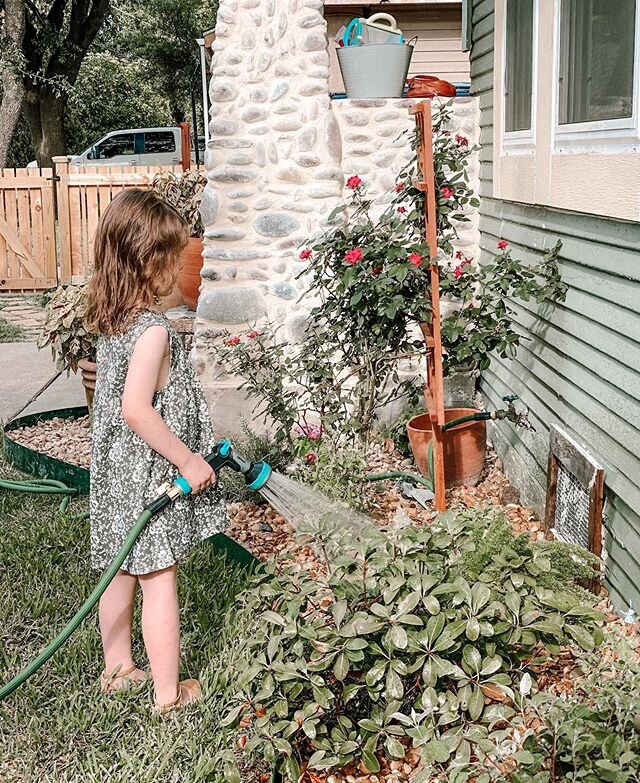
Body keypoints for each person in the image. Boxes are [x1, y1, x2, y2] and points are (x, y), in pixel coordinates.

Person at [86, 188, 228, 714]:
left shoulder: (115, 317)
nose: (180, 266)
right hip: (149, 476)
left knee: (117, 568)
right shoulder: (152, 331)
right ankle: (168, 694)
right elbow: (136, 409)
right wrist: (187, 459)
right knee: (158, 578)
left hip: (114, 473)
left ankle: (118, 668)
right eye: (174, 256)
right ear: (150, 262)